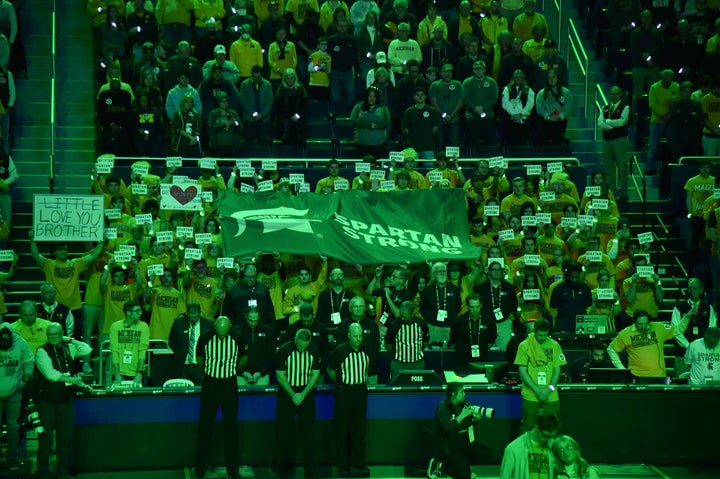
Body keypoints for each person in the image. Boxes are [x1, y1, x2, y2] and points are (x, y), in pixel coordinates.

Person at [35, 323, 92, 479]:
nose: (53, 337)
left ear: (61, 334)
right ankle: (42, 471)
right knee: (45, 439)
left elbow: (87, 349)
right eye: (50, 334)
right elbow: (51, 375)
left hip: (66, 401)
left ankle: (62, 470)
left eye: (56, 334)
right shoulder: (41, 351)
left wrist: (70, 339)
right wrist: (73, 380)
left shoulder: (68, 348)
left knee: (65, 438)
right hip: (47, 402)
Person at [194, 316, 248, 479]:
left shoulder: (238, 337)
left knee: (231, 428)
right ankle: (200, 469)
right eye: (219, 331)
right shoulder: (205, 337)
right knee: (205, 426)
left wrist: (231, 369)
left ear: (230, 326)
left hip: (229, 385)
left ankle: (233, 470)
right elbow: (199, 359)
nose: (222, 335)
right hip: (210, 384)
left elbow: (244, 357)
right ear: (215, 326)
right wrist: (212, 370)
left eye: (224, 332)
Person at [328, 322, 377, 478]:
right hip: (344, 392)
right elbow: (330, 369)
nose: (358, 339)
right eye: (355, 336)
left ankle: (358, 464)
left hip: (360, 391)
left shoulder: (366, 349)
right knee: (342, 430)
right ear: (348, 335)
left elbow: (367, 370)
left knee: (359, 430)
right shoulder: (340, 351)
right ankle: (342, 466)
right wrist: (341, 383)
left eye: (360, 336)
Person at [274, 328, 322, 478]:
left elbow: (315, 375)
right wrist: (293, 394)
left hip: (306, 392)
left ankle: (311, 469)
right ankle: (280, 468)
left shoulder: (314, 350)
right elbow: (280, 376)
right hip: (287, 392)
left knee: (309, 433)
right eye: (300, 345)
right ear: (295, 339)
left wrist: (303, 394)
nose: (302, 348)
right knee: (283, 431)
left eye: (305, 346)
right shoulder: (284, 350)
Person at [514, 317, 566, 433]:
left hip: (551, 395)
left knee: (552, 427)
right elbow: (522, 370)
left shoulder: (554, 345)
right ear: (534, 331)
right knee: (528, 427)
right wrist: (537, 389)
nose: (542, 338)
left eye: (545, 335)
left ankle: (550, 451)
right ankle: (524, 451)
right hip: (530, 394)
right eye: (540, 335)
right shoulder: (524, 345)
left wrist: (549, 389)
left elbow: (557, 370)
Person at [431, 382, 492, 479]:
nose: (464, 394)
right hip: (450, 446)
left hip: (466, 442)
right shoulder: (442, 408)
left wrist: (476, 419)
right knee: (464, 477)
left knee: (488, 453)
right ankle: (440, 465)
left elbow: (469, 423)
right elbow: (448, 427)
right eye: (462, 392)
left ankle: (463, 467)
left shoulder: (464, 405)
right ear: (453, 394)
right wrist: (462, 415)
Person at [0, 323, 33, 473]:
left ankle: (11, 458)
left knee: (13, 426)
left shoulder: (21, 342)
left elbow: (28, 361)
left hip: (14, 391)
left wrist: (25, 380)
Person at [608, 309, 674, 382]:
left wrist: (686, 317)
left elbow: (678, 330)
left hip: (659, 376)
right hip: (636, 376)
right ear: (634, 322)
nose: (643, 327)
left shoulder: (658, 327)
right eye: (640, 324)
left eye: (645, 323)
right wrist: (621, 368)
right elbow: (611, 349)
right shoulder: (625, 333)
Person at [671, 278, 717, 377]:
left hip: (702, 354)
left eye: (695, 288)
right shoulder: (679, 307)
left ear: (701, 290)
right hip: (682, 354)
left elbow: (711, 331)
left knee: (702, 384)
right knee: (681, 385)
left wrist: (699, 348)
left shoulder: (708, 308)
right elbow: (675, 331)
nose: (692, 290)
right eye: (689, 288)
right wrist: (689, 346)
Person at [499, 410, 560, 479]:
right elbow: (505, 476)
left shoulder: (553, 446)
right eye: (545, 436)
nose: (549, 439)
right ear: (536, 428)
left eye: (551, 436)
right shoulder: (513, 448)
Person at [168, 302, 214, 385]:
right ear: (186, 314)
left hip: (201, 367)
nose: (193, 319)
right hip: (182, 367)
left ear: (200, 313)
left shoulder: (209, 324)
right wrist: (180, 353)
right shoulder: (178, 323)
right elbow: (172, 342)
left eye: (196, 317)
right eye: (190, 317)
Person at [475, 261, 518, 350]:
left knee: (505, 349)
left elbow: (514, 303)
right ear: (489, 272)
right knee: (485, 349)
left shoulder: (508, 287)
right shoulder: (481, 288)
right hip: (486, 322)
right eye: (493, 269)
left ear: (502, 271)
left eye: (498, 269)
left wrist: (510, 317)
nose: (496, 271)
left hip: (504, 323)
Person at [597, 86, 630, 201]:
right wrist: (609, 126)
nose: (614, 96)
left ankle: (624, 193)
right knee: (608, 167)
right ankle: (610, 192)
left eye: (616, 93)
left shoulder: (625, 107)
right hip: (607, 140)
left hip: (619, 140)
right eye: (612, 93)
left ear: (621, 94)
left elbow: (622, 122)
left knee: (621, 167)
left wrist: (608, 122)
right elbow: (599, 123)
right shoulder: (605, 108)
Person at [450, 293, 498, 373]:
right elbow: (453, 341)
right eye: (472, 307)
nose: (475, 310)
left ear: (481, 305)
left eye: (477, 306)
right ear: (468, 306)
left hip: (481, 359)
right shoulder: (459, 321)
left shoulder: (488, 321)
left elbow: (491, 340)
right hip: (462, 359)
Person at [109, 301, 149, 387]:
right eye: (137, 311)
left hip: (137, 373)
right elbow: (115, 351)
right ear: (128, 312)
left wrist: (139, 373)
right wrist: (116, 373)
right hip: (119, 373)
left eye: (140, 310)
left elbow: (142, 351)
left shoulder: (144, 327)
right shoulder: (115, 326)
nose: (140, 313)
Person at [420, 262, 462, 346]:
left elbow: (458, 306)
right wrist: (432, 318)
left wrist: (450, 316)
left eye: (444, 271)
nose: (442, 273)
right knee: (433, 351)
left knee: (449, 352)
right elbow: (422, 310)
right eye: (439, 271)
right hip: (433, 326)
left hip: (450, 326)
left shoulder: (454, 289)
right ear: (434, 274)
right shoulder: (427, 291)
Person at [385, 300, 428, 379]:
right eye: (401, 315)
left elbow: (425, 342)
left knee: (417, 389)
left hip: (417, 365)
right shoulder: (394, 325)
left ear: (412, 314)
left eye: (405, 316)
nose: (402, 318)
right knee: (397, 388)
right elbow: (388, 345)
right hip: (398, 364)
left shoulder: (422, 324)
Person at [549, 260, 592, 333]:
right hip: (562, 327)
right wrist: (559, 319)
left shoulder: (586, 288)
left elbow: (589, 306)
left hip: (581, 326)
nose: (574, 280)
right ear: (567, 276)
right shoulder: (558, 289)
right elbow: (553, 308)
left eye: (576, 277)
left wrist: (584, 318)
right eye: (572, 277)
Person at [350, 86, 391, 158]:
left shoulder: (383, 107)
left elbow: (387, 122)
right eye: (370, 96)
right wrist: (368, 124)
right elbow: (353, 120)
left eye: (374, 96)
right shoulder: (358, 106)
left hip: (378, 144)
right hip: (361, 143)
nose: (372, 98)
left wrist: (377, 125)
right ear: (366, 96)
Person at [238, 307, 276, 386]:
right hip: (241, 375)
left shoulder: (268, 331)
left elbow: (270, 355)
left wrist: (260, 373)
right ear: (246, 316)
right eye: (250, 320)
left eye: (255, 321)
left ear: (259, 318)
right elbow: (233, 355)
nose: (253, 323)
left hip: (262, 375)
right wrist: (242, 373)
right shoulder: (237, 332)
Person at [535, 68, 572, 146]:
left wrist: (560, 116)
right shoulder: (541, 93)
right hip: (546, 122)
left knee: (557, 143)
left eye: (554, 77)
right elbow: (539, 107)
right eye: (549, 78)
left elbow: (567, 106)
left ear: (557, 78)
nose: (551, 80)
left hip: (560, 122)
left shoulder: (566, 92)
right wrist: (548, 117)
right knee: (545, 144)